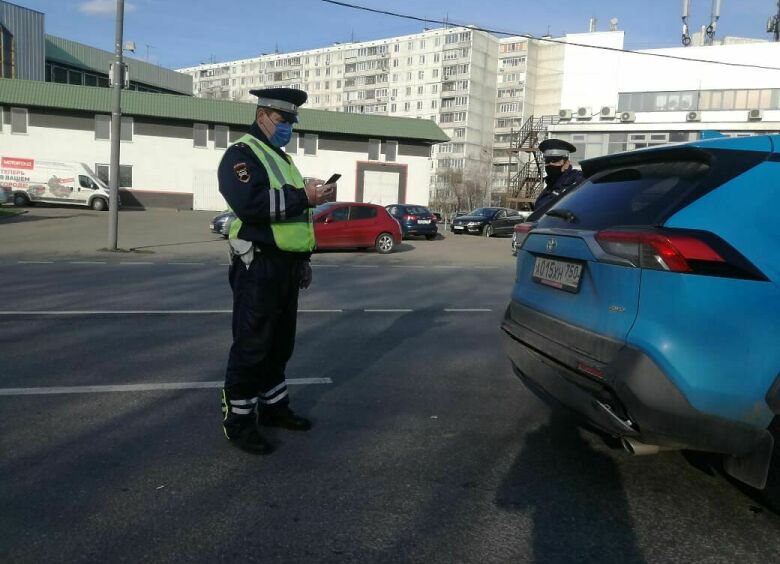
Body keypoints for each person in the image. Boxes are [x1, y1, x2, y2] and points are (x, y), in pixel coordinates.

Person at [217, 87, 336, 454]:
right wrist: (306, 196)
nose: (289, 128)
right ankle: (238, 421)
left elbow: (292, 217)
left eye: (292, 122)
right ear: (263, 116)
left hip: (284, 266)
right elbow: (252, 204)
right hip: (259, 264)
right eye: (284, 120)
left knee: (278, 345)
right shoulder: (241, 155)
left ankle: (273, 408)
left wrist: (303, 260)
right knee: (252, 345)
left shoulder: (280, 159)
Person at [533, 138, 584, 211]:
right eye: (547, 161)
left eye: (554, 160)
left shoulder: (578, 182)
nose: (550, 164)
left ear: (566, 163)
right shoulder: (550, 185)